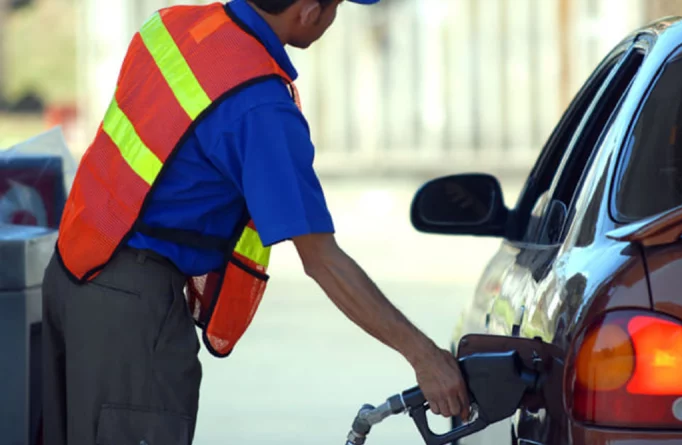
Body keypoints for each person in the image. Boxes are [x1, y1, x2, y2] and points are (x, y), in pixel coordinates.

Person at [41, 0, 469, 444]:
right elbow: (323, 260)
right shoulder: (259, 105)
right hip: (131, 313)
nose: (334, 18)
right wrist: (424, 357)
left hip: (73, 271)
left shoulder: (172, 25)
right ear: (307, 10)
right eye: (336, 5)